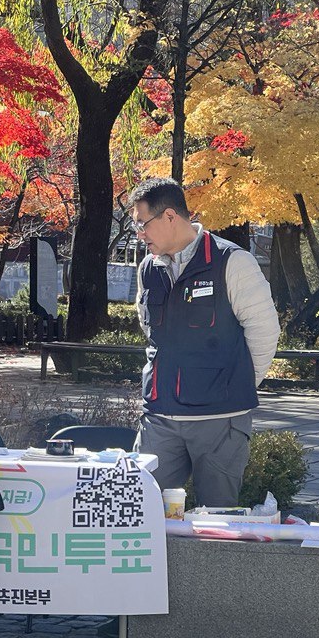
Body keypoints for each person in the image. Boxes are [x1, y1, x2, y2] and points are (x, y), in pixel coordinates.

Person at [129, 177, 280, 508]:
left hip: (220, 421)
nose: (140, 235)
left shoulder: (232, 261)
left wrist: (235, 385)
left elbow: (264, 330)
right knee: (142, 510)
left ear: (170, 217)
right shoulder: (147, 270)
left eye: (143, 225)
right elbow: (151, 331)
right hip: (160, 417)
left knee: (217, 520)